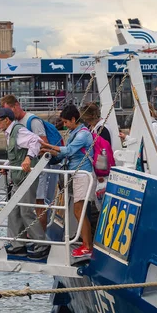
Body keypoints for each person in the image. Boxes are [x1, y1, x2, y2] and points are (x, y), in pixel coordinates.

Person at [0, 108, 49, 260]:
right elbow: (15, 155)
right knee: (13, 210)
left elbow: (36, 141)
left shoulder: (18, 131)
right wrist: (6, 165)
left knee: (25, 211)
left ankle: (42, 244)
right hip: (18, 177)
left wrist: (29, 158)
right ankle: (18, 245)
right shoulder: (10, 133)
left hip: (27, 177)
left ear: (7, 120)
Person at [40, 105, 96, 259]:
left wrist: (49, 147)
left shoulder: (82, 135)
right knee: (78, 210)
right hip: (76, 174)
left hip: (83, 175)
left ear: (73, 119)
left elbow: (69, 150)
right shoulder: (74, 132)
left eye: (66, 122)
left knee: (80, 210)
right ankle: (86, 244)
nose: (64, 125)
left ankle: (87, 246)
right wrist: (50, 151)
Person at [1, 95, 58, 230]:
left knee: (38, 203)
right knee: (22, 205)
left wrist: (28, 158)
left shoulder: (32, 121)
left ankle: (40, 239)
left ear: (16, 106)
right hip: (24, 172)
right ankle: (28, 237)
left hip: (37, 170)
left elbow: (44, 145)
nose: (7, 115)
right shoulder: (14, 125)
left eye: (8, 111)